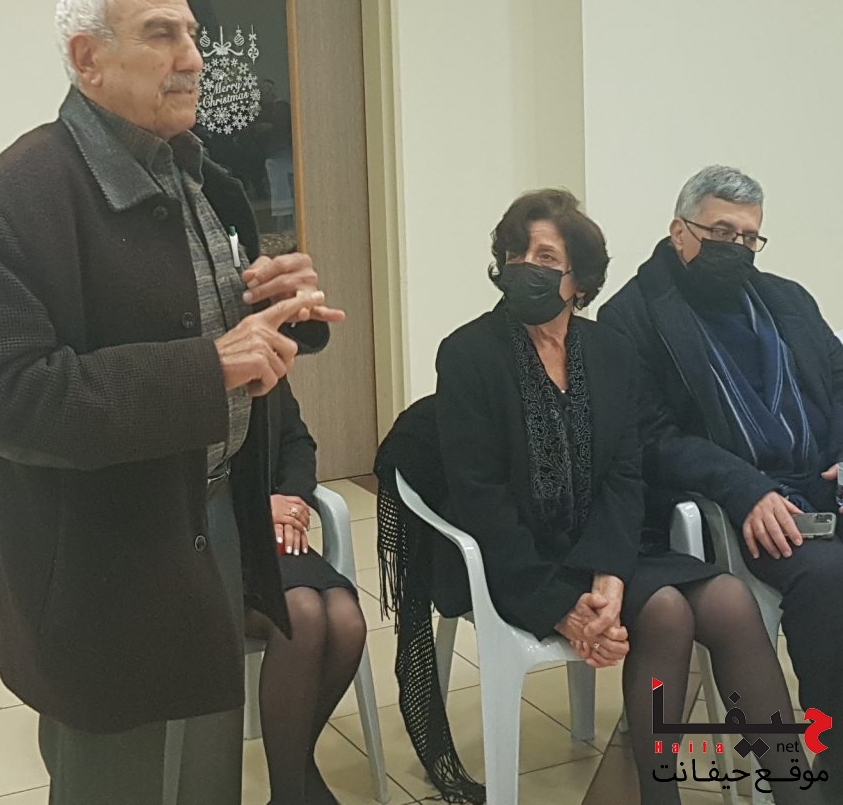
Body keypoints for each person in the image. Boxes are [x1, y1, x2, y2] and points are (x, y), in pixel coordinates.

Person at [0, 0, 344, 805]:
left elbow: (195, 323)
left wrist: (273, 310)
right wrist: (209, 366)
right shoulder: (8, 205)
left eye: (192, 34)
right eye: (162, 35)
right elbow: (5, 398)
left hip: (212, 523)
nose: (193, 57)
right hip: (100, 562)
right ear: (87, 58)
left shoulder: (200, 177)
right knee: (117, 779)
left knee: (205, 772)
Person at [376, 189, 813, 805]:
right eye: (516, 254)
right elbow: (480, 500)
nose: (525, 267)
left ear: (579, 280)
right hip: (520, 561)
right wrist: (562, 607)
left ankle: (796, 791)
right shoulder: (469, 354)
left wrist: (609, 574)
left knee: (729, 600)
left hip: (603, 543)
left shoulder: (610, 352)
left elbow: (624, 476)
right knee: (666, 611)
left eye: (545, 257)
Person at [599, 164, 843, 794]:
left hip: (824, 483)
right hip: (736, 502)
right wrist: (744, 487)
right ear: (680, 231)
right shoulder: (632, 316)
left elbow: (839, 379)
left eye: (749, 236)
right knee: (828, 578)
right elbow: (650, 438)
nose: (737, 247)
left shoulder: (787, 299)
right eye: (721, 232)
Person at [245, 380, 366, 805]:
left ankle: (294, 769)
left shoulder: (264, 365)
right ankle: (291, 790)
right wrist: (259, 507)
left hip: (271, 541)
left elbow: (297, 441)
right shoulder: (189, 366)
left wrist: (291, 500)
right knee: (301, 614)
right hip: (212, 541)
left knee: (347, 622)